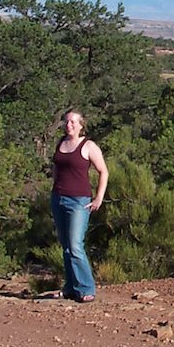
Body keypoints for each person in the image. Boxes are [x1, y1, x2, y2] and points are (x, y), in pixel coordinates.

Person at [50, 108, 108, 302]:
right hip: (59, 198)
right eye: (67, 122)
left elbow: (103, 171)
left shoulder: (88, 145)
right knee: (66, 246)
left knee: (75, 246)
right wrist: (54, 189)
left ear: (81, 125)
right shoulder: (61, 143)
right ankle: (70, 288)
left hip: (79, 201)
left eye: (73, 122)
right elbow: (57, 168)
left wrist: (99, 197)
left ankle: (86, 288)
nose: (69, 125)